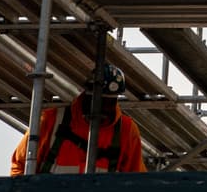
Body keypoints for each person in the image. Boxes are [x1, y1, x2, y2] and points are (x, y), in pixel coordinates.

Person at [10, 64, 147, 175]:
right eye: (100, 101)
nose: (104, 108)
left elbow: (137, 182)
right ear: (86, 95)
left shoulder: (126, 130)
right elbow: (20, 167)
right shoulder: (51, 120)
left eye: (110, 102)